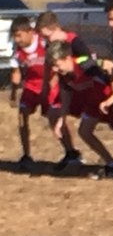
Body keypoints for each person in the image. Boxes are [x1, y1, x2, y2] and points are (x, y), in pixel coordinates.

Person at [46, 40, 113, 178]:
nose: (55, 69)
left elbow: (110, 66)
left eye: (57, 65)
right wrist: (61, 121)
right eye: (53, 66)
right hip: (93, 102)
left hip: (110, 98)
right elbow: (66, 97)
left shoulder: (85, 63)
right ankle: (112, 165)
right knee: (84, 131)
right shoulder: (64, 76)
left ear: (67, 58)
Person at [9, 17, 78, 170]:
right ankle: (26, 155)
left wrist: (52, 85)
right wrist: (13, 93)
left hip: (50, 82)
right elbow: (16, 72)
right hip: (31, 85)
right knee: (22, 115)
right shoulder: (17, 49)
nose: (17, 39)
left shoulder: (42, 42)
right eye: (14, 36)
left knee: (54, 117)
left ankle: (71, 152)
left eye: (19, 35)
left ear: (29, 32)